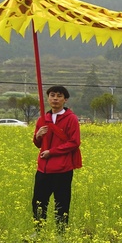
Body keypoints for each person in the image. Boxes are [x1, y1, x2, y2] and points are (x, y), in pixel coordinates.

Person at [31, 84, 82, 225]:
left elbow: (74, 142)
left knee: (62, 203)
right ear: (48, 98)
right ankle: (38, 231)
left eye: (59, 96)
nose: (55, 99)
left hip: (62, 169)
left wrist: (51, 152)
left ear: (65, 100)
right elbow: (38, 144)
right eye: (52, 95)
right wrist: (38, 136)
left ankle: (61, 233)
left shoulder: (71, 119)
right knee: (38, 202)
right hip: (43, 169)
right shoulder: (43, 119)